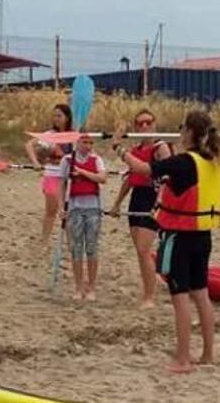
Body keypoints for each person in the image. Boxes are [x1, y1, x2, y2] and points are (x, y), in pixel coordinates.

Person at [118, 110, 220, 373]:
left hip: (181, 237)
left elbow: (143, 169)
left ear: (189, 132)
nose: (179, 133)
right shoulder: (215, 160)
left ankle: (182, 359)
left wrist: (118, 148)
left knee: (180, 298)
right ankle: (208, 354)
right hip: (203, 236)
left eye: (181, 129)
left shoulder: (184, 162)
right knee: (201, 295)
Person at [109, 109, 172, 309]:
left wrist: (159, 203)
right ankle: (152, 283)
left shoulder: (160, 148)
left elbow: (167, 179)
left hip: (152, 200)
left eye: (148, 122)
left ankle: (149, 297)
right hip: (137, 199)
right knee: (140, 251)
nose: (144, 126)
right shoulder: (135, 149)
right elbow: (130, 178)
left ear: (154, 124)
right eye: (140, 123)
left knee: (144, 250)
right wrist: (117, 203)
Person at [60, 134, 108, 301]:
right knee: (76, 248)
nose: (88, 146)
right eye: (84, 142)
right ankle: (78, 287)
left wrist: (82, 172)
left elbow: (102, 178)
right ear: (77, 143)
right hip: (74, 208)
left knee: (92, 247)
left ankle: (92, 287)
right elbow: (62, 184)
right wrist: (61, 207)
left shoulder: (97, 159)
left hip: (93, 207)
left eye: (90, 143)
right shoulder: (67, 160)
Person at [25, 104, 74, 244]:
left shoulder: (73, 135)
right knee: (51, 211)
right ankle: (44, 241)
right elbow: (29, 145)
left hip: (68, 178)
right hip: (52, 176)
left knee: (68, 212)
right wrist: (36, 163)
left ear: (67, 117)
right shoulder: (49, 135)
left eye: (59, 116)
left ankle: (71, 243)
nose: (56, 119)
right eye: (54, 116)